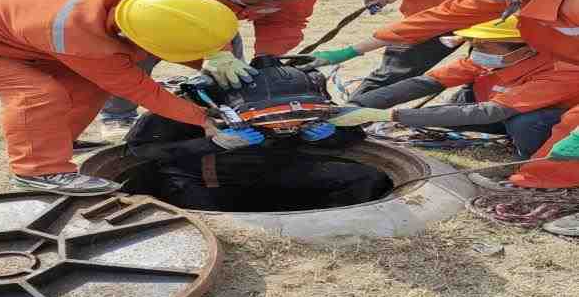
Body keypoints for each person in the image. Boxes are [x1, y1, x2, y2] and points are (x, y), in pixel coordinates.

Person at [0, 0, 262, 195]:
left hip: (15, 30)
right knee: (36, 93)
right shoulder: (77, 35)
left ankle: (60, 140)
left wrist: (218, 53)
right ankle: (37, 172)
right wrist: (203, 119)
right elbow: (139, 89)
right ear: (128, 36)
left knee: (88, 86)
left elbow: (194, 20)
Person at [304, 0, 579, 189]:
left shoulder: (571, 10)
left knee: (543, 129)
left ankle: (544, 182)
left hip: (553, 102)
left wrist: (387, 115)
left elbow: (491, 111)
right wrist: (349, 53)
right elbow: (442, 17)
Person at [95, 0, 329, 134]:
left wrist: (265, 60)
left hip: (211, 10)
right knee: (137, 54)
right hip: (144, 6)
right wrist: (216, 52)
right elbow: (145, 22)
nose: (265, 6)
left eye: (277, 2)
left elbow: (285, 23)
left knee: (235, 69)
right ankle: (118, 116)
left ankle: (231, 111)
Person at [349, 17, 579, 187]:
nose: (476, 51)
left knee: (527, 123)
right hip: (500, 113)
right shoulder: (492, 58)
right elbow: (427, 83)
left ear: (525, 49)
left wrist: (390, 116)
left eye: (484, 46)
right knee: (453, 112)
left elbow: (489, 113)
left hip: (545, 125)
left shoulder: (561, 70)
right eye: (475, 44)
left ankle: (528, 157)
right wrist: (361, 105)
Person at [122, 115, 392, 211]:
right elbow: (142, 151)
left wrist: (331, 134)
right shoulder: (182, 105)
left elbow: (354, 135)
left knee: (366, 177)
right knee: (217, 228)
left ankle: (331, 223)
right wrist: (213, 143)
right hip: (202, 179)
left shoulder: (294, 100)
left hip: (277, 171)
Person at [355, 0, 496, 96]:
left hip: (505, 16)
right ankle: (346, 115)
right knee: (392, 77)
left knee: (492, 79)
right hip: (433, 7)